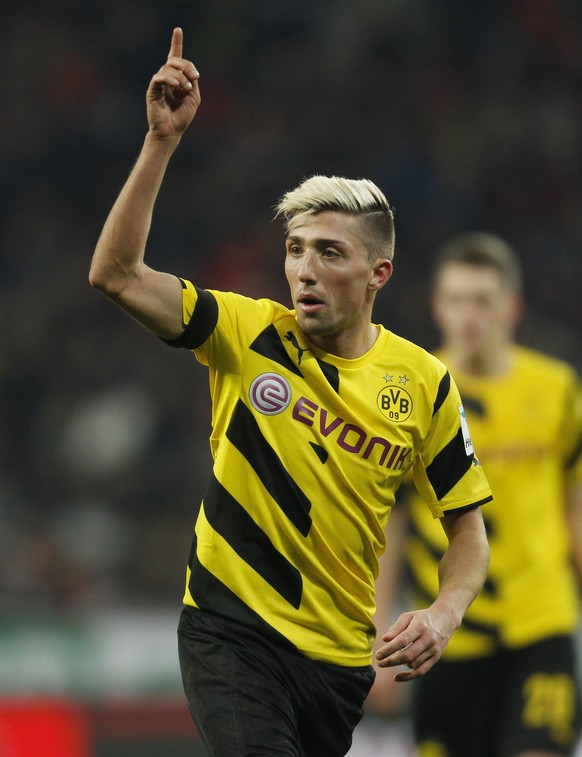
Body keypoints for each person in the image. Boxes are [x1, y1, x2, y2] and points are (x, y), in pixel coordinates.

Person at [89, 28, 491, 757]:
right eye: (294, 248)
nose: (303, 268)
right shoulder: (244, 331)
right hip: (231, 628)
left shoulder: (424, 383)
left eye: (329, 252)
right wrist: (160, 144)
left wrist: (443, 611)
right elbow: (115, 275)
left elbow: (468, 526)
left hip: (340, 662)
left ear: (379, 274)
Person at [369, 232, 582, 757]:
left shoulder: (557, 390)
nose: (469, 314)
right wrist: (374, 638)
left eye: (482, 300)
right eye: (456, 299)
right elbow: (388, 528)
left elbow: (574, 509)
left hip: (541, 621)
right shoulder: (412, 394)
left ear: (511, 307)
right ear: (438, 307)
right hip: (443, 633)